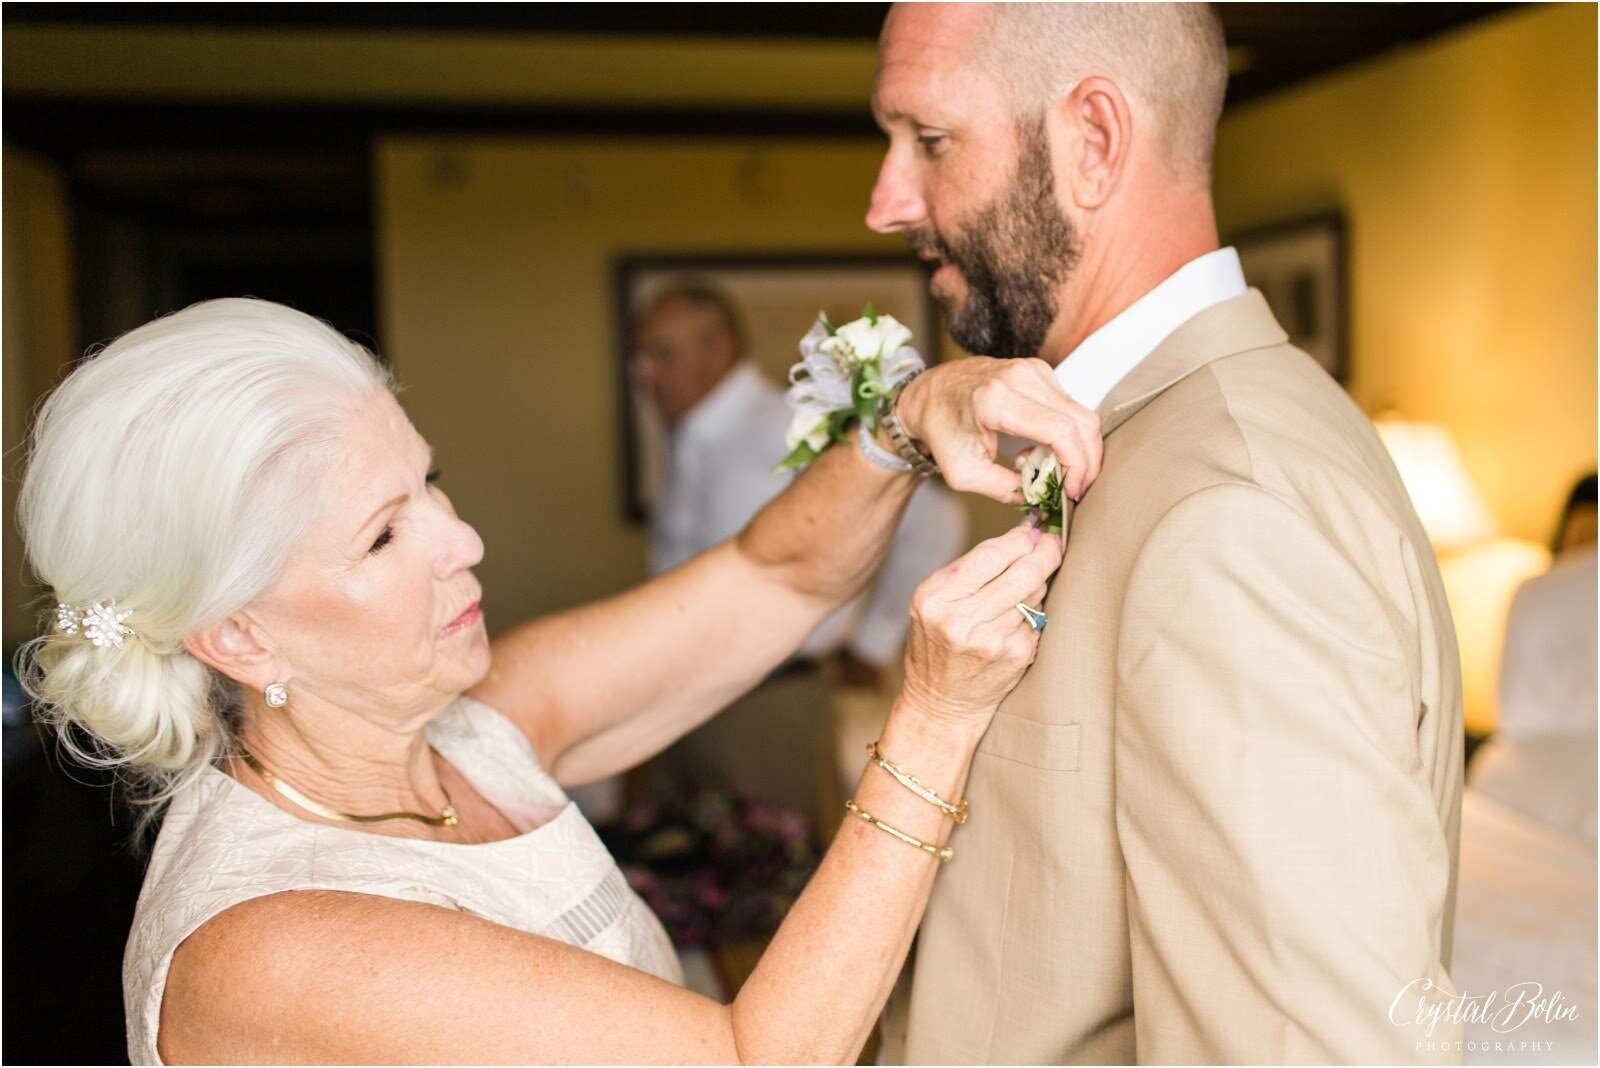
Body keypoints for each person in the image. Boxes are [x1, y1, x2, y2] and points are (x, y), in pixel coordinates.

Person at [16, 297, 1102, 1064]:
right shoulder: (268, 942)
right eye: (387, 536)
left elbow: (776, 573)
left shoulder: (468, 730)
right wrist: (934, 716)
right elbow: (753, 1059)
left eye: (429, 484)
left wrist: (907, 421)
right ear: (240, 638)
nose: (466, 540)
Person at [866, 4, 1465, 1064]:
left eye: (930, 139)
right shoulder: (1129, 438)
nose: (884, 200)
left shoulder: (1233, 516)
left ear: (1093, 141)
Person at [632, 281, 968, 817]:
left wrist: (875, 642)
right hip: (683, 700)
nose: (646, 375)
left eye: (662, 355)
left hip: (768, 704)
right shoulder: (693, 437)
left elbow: (933, 519)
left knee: (771, 878)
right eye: (642, 357)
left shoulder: (789, 425)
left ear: (718, 348)